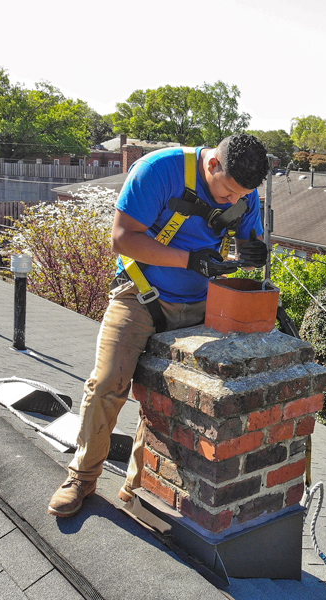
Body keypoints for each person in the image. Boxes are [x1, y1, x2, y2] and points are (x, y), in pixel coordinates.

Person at [48, 133, 269, 517]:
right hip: (142, 294)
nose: (234, 201)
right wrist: (190, 260)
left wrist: (253, 253)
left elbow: (246, 246)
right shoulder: (159, 171)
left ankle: (139, 484)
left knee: (167, 399)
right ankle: (82, 476)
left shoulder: (243, 193)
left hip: (201, 306)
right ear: (212, 164)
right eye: (229, 191)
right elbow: (122, 239)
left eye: (241, 196)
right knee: (107, 384)